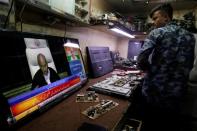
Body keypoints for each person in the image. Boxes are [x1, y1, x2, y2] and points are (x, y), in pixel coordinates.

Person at [137, 3, 195, 131]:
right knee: (169, 125)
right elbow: (190, 63)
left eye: (155, 18)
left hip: (155, 92)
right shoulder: (190, 37)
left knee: (150, 125)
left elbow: (141, 58)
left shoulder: (157, 32)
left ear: (166, 18)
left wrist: (148, 69)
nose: (154, 22)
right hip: (177, 94)